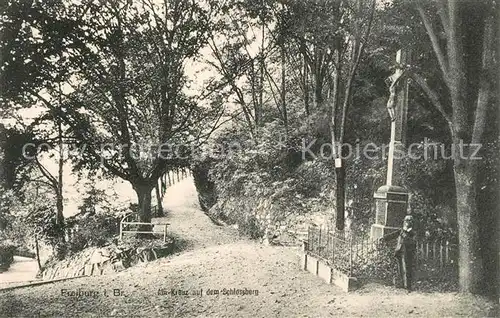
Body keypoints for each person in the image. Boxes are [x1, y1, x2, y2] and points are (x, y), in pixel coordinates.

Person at [394, 215, 417, 291]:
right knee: (400, 268)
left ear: (412, 222)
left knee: (407, 269)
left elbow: (411, 242)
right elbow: (394, 234)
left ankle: (408, 286)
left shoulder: (413, 232)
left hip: (408, 253)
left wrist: (404, 234)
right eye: (406, 220)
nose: (407, 222)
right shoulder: (402, 230)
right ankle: (402, 283)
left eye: (409, 220)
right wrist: (384, 238)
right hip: (400, 251)